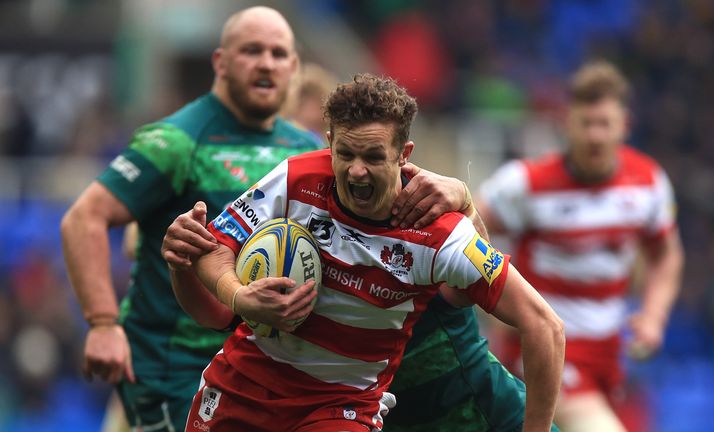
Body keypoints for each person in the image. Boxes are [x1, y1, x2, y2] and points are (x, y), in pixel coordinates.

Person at [61, 7, 475, 431]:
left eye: (278, 54)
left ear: (293, 68)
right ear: (220, 63)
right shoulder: (176, 140)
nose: (266, 63)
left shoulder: (306, 150)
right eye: (252, 51)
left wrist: (463, 195)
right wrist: (103, 323)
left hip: (269, 365)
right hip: (177, 361)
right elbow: (91, 221)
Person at [168, 73, 564, 432]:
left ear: (403, 154)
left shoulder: (438, 231)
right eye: (345, 154)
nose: (356, 171)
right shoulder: (296, 179)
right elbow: (215, 248)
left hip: (339, 408)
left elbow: (544, 326)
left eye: (373, 157)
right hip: (243, 387)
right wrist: (238, 295)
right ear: (329, 144)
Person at [475, 60, 685, 432]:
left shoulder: (648, 182)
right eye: (585, 123)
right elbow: (465, 230)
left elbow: (665, 253)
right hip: (543, 348)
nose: (594, 136)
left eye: (604, 124)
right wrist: (495, 299)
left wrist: (653, 316)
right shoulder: (525, 185)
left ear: (624, 126)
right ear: (566, 124)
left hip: (608, 352)